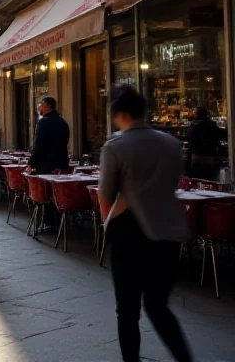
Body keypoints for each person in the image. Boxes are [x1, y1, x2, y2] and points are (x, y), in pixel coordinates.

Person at [98, 87, 193, 362]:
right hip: (169, 229)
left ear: (122, 114)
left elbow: (105, 195)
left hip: (129, 232)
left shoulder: (115, 147)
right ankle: (184, 357)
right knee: (158, 305)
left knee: (127, 309)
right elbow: (174, 183)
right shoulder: (170, 143)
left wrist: (108, 223)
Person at [28, 96, 70, 174]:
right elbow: (65, 141)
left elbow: (38, 144)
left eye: (41, 106)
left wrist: (31, 163)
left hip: (45, 166)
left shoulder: (42, 122)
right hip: (61, 165)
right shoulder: (63, 122)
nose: (40, 109)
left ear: (46, 107)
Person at [188, 107, 224, 180]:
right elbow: (220, 135)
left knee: (197, 179)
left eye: (194, 113)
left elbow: (190, 138)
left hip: (198, 157)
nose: (193, 115)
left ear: (198, 115)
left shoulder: (196, 125)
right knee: (208, 178)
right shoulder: (212, 125)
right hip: (210, 157)